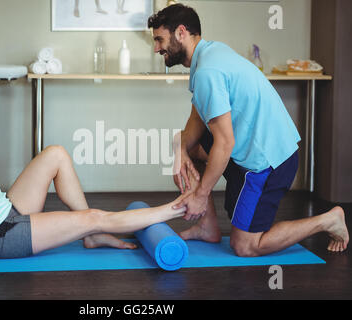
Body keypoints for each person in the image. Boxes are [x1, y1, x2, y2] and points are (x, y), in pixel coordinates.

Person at [0, 60, 186, 278]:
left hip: (5, 212)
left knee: (55, 154)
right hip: (0, 237)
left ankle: (92, 237)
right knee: (94, 217)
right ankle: (175, 208)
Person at [147, 4, 349, 257]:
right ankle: (208, 227)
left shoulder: (208, 70)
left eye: (159, 39)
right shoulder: (209, 55)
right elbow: (197, 118)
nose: (156, 48)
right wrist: (180, 151)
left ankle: (327, 220)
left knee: (245, 246)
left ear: (181, 32)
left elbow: (224, 143)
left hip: (267, 164)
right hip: (250, 151)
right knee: (189, 145)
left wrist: (200, 194)